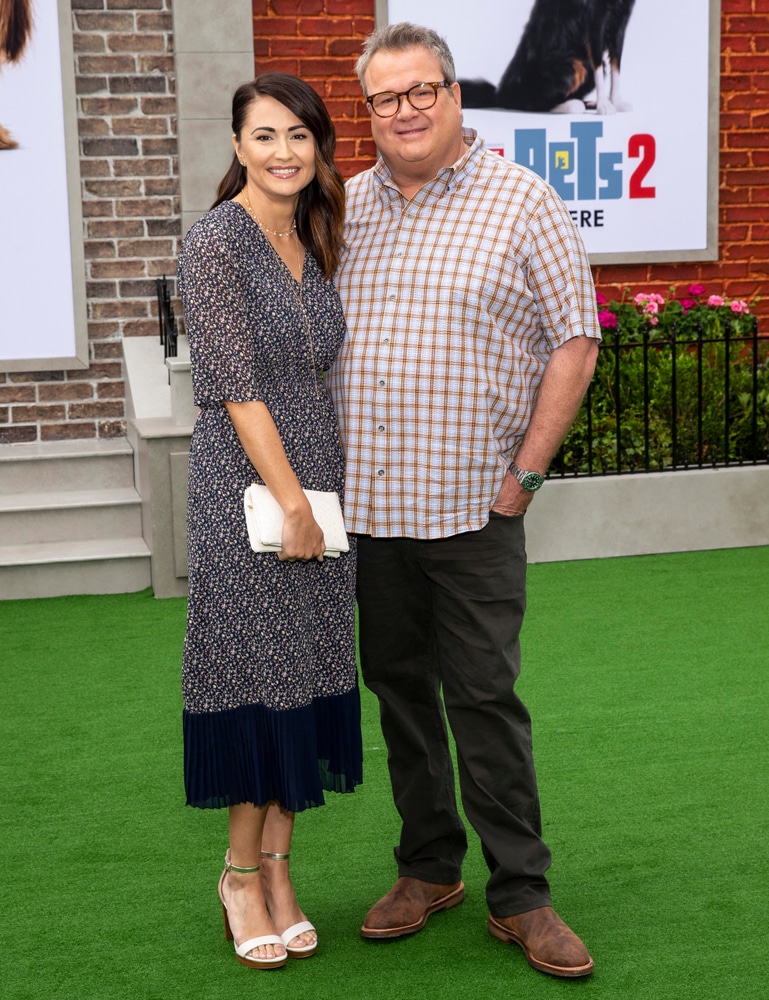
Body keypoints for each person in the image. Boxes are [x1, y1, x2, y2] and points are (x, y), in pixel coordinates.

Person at [326, 23, 600, 979]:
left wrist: (522, 476)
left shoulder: (523, 201)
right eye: (383, 99)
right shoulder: (343, 206)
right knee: (400, 693)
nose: (403, 111)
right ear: (366, 112)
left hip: (477, 513)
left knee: (484, 698)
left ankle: (521, 891)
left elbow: (576, 340)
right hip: (370, 512)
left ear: (452, 93)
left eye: (420, 91)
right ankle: (427, 865)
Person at [177, 73, 362, 971]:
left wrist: (313, 497)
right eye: (264, 136)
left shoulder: (315, 235)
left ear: (318, 145)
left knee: (306, 673)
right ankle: (238, 875)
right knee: (254, 680)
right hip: (247, 490)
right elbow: (235, 388)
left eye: (299, 135)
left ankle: (282, 871)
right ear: (237, 146)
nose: (283, 152)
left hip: (315, 485)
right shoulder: (214, 243)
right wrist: (290, 502)